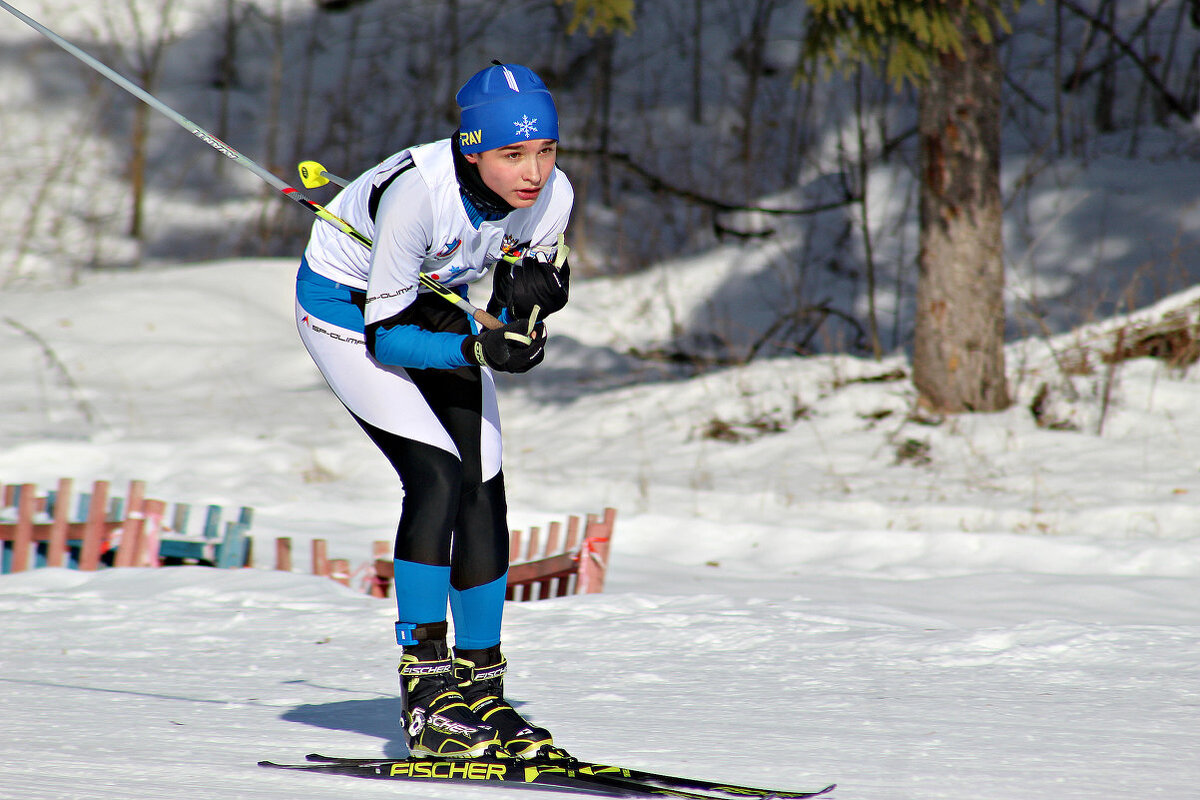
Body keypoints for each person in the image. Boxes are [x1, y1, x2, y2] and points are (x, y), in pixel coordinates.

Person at [294, 62, 573, 760]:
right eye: (513, 154)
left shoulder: (552, 195)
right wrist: (486, 350)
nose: (533, 172)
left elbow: (509, 317)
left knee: (484, 483)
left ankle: (481, 690)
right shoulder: (421, 195)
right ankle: (426, 692)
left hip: (426, 307)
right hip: (346, 313)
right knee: (438, 474)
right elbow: (388, 338)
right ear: (473, 149)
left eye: (545, 150)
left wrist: (529, 311)